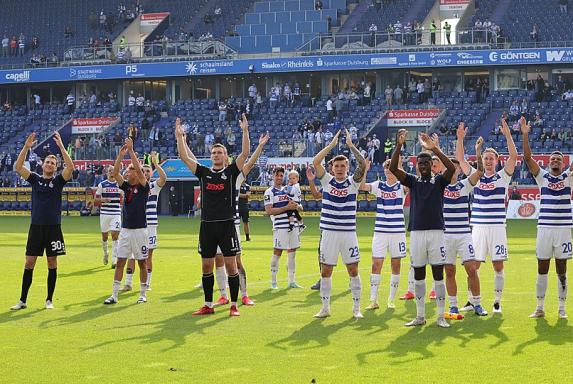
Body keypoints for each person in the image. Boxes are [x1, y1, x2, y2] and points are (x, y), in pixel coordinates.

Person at [176, 114, 250, 317]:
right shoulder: (204, 172)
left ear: (226, 156)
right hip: (207, 225)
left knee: (231, 265)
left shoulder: (232, 172)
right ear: (211, 156)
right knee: (206, 265)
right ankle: (208, 304)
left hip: (227, 225)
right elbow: (184, 157)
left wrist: (244, 131)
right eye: (214, 152)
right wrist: (180, 137)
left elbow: (245, 153)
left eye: (220, 152)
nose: (216, 155)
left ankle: (233, 305)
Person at [389, 129, 455, 327]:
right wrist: (399, 145)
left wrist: (435, 148)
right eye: (421, 163)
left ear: (432, 165)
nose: (424, 166)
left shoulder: (439, 181)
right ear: (417, 166)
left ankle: (441, 316)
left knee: (437, 273)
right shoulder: (412, 181)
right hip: (416, 232)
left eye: (427, 162)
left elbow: (451, 168)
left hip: (436, 232)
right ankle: (419, 316)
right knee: (418, 274)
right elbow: (393, 168)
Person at [456, 119, 517, 314]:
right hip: (478, 228)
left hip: (498, 227)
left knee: (498, 265)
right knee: (472, 266)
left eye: (492, 158)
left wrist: (508, 135)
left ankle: (497, 302)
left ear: (497, 161)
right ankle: (472, 300)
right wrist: (460, 139)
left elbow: (514, 157)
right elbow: (460, 159)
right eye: (486, 158)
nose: (488, 161)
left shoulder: (503, 177)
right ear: (482, 160)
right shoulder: (476, 176)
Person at [11, 132, 74, 311]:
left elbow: (71, 167)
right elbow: (18, 167)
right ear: (42, 164)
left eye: (53, 163)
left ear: (55, 167)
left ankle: (49, 300)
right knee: (29, 262)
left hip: (53, 228)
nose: (49, 164)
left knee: (52, 263)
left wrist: (61, 147)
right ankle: (22, 300)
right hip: (36, 228)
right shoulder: (35, 180)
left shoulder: (59, 181)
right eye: (47, 162)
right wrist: (26, 147)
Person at [313, 129, 367, 318]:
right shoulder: (327, 182)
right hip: (328, 232)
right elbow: (315, 162)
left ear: (347, 168)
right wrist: (331, 146)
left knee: (353, 269)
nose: (340, 168)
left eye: (343, 166)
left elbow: (363, 164)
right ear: (332, 168)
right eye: (336, 166)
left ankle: (356, 308)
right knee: (326, 270)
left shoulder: (353, 183)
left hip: (348, 233)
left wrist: (351, 146)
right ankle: (325, 308)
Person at [521, 117, 571, 319]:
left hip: (563, 229)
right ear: (548, 163)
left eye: (559, 159)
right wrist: (525, 134)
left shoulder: (569, 177)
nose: (555, 160)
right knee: (542, 268)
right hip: (544, 229)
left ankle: (561, 308)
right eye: (553, 159)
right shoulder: (542, 176)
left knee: (561, 269)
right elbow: (527, 158)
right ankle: (540, 308)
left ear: (564, 163)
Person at [443, 135, 488, 317]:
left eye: (455, 168)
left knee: (471, 269)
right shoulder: (439, 186)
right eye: (450, 168)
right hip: (445, 235)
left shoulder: (464, 185)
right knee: (450, 270)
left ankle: (477, 303)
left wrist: (477, 152)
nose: (453, 171)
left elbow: (479, 172)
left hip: (463, 234)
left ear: (458, 171)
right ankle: (453, 305)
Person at [103, 138, 150, 305]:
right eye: (128, 171)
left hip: (140, 231)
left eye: (130, 171)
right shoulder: (126, 187)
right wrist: (120, 156)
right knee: (121, 261)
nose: (127, 173)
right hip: (126, 230)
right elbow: (115, 174)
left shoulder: (144, 187)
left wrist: (131, 151)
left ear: (137, 174)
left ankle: (143, 294)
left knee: (142, 262)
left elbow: (138, 168)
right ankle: (114, 295)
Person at [359, 159, 408, 310]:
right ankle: (373, 300)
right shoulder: (378, 185)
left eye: (390, 169)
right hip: (380, 231)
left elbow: (408, 183)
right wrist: (365, 169)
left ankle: (391, 299)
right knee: (376, 264)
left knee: (396, 264)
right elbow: (361, 186)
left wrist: (399, 166)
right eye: (386, 169)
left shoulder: (402, 186)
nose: (388, 171)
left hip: (398, 231)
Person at [122, 151, 166, 291]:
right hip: (135, 224)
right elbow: (123, 176)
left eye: (148, 171)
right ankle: (128, 283)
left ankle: (147, 284)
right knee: (130, 255)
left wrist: (156, 164)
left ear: (151, 174)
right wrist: (132, 169)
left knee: (148, 255)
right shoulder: (132, 185)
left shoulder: (154, 186)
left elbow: (163, 178)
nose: (146, 173)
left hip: (151, 225)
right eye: (144, 170)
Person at [264, 167, 303, 289]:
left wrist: (298, 207)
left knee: (292, 253)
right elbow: (269, 211)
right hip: (280, 226)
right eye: (277, 175)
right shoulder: (269, 192)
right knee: (277, 252)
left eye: (281, 175)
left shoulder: (288, 190)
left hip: (293, 225)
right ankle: (273, 281)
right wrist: (286, 208)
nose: (279, 177)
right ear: (273, 176)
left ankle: (291, 281)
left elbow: (297, 204)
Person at [94, 166, 122, 268]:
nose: (111, 172)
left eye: (113, 171)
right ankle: (106, 253)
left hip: (116, 213)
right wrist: (104, 200)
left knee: (115, 235)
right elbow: (95, 200)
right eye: (109, 171)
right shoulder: (102, 184)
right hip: (105, 214)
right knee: (105, 237)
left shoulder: (120, 184)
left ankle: (115, 259)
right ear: (107, 173)